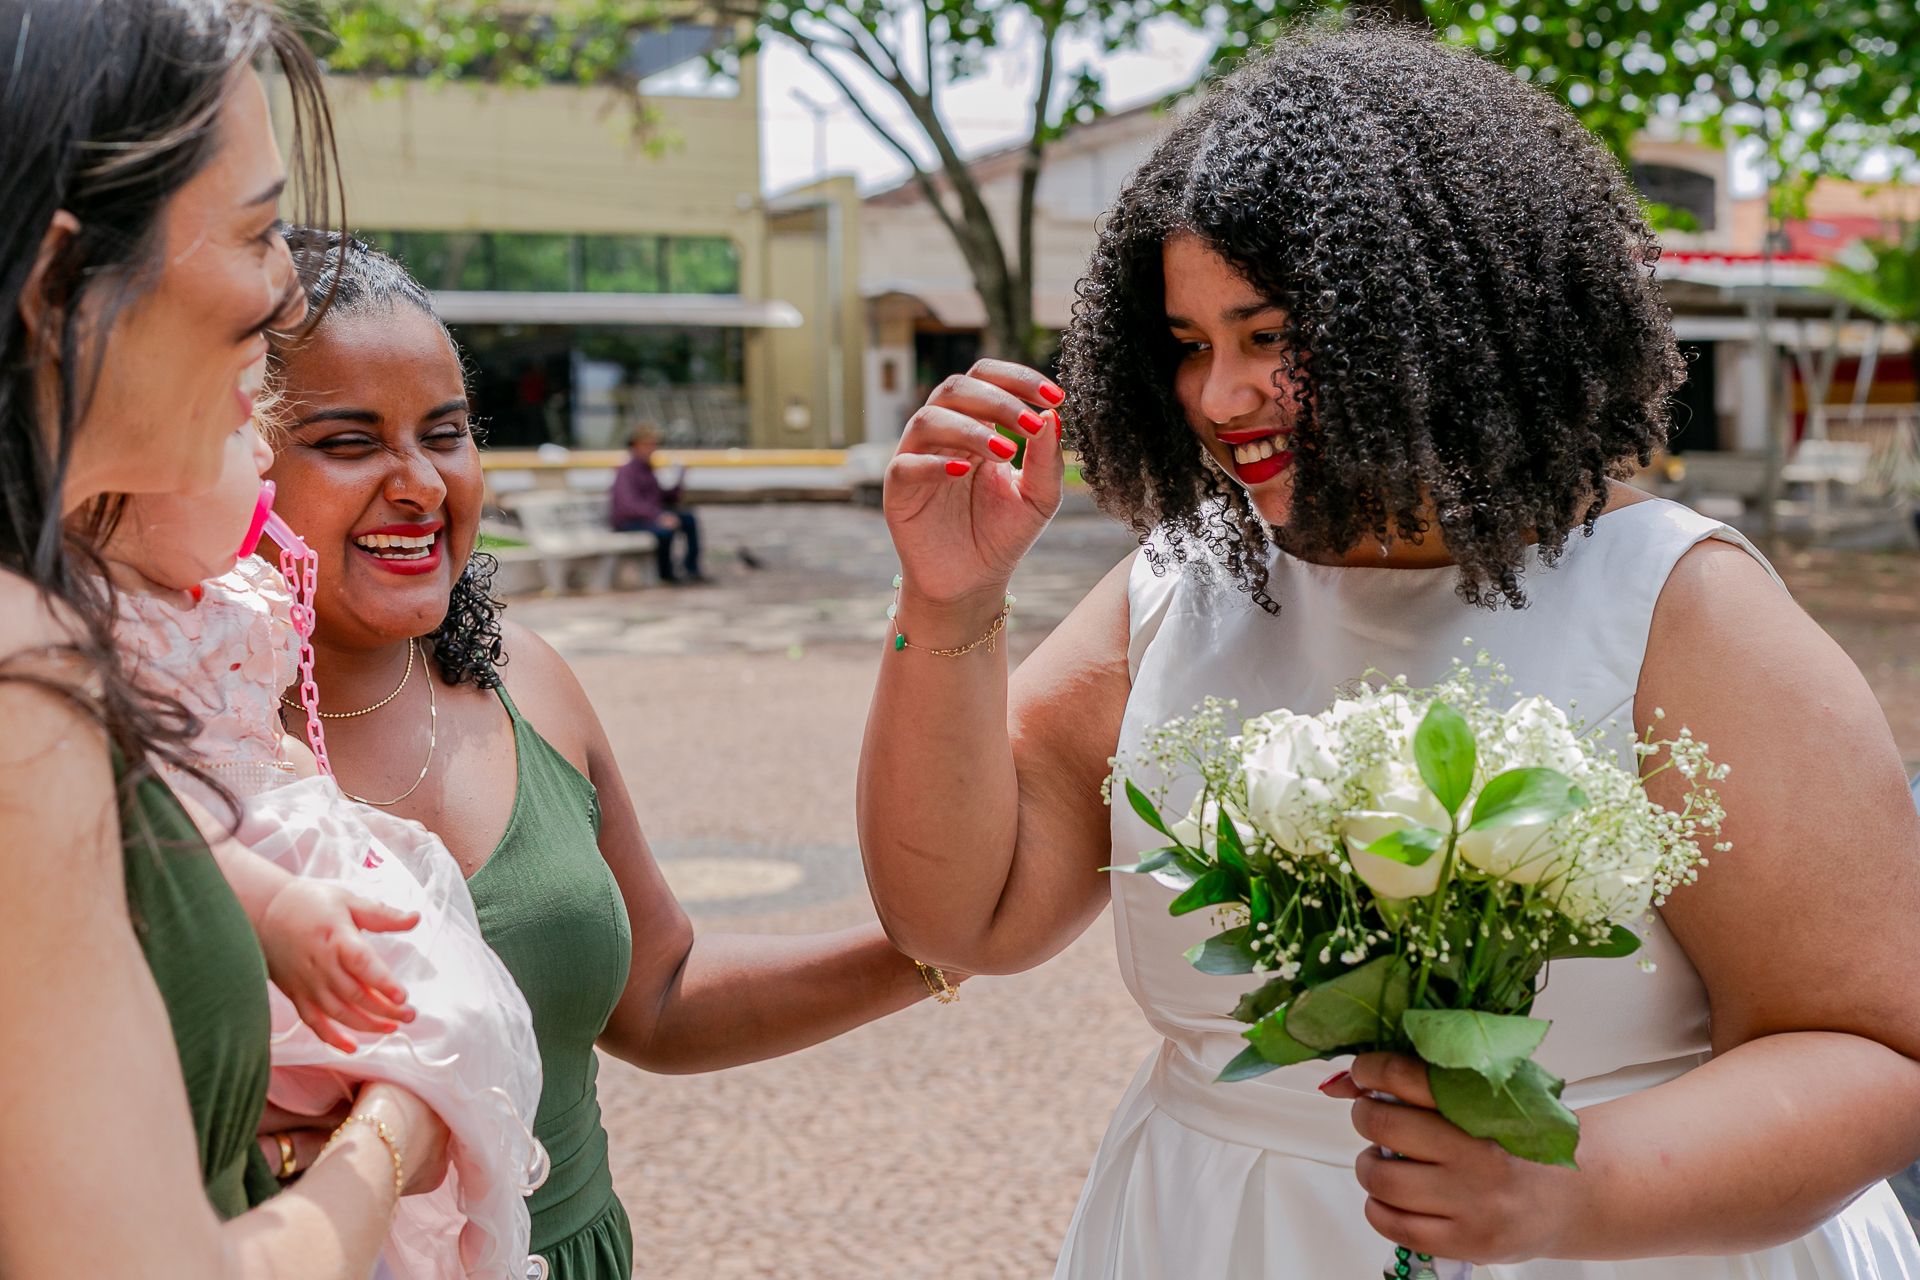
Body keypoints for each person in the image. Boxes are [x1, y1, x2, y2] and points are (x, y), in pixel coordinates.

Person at [857, 27, 1920, 1278]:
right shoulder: (1182, 583)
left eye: (1267, 337)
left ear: (1434, 325)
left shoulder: (1680, 605)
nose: (1218, 397)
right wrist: (951, 595)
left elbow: (1875, 1046)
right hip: (1216, 1233)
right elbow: (965, 915)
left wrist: (1574, 1192)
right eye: (1191, 345)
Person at [264, 229, 959, 1280]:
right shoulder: (175, 741)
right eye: (350, 441)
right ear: (234, 454)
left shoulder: (527, 679)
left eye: (445, 433)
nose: (418, 482)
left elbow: (660, 990)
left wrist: (947, 944)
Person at [0, 2, 450, 1275]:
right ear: (56, 286)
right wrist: (397, 1135)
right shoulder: (22, 667)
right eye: (256, 231)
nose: (285, 290)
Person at [106, 421, 546, 1277]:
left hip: (283, 845)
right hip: (237, 884)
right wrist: (274, 904)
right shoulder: (75, 627)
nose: (261, 451)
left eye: (450, 431)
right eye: (233, 422)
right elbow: (142, 801)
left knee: (432, 1036)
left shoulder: (232, 591)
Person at [609, 427, 704, 584]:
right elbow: (628, 505)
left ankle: (691, 568)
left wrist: (680, 478)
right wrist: (658, 516)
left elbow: (662, 497)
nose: (651, 449)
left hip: (648, 516)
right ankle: (665, 573)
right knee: (664, 531)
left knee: (688, 519)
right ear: (635, 446)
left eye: (653, 445)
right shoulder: (626, 471)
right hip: (630, 522)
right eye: (647, 445)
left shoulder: (647, 469)